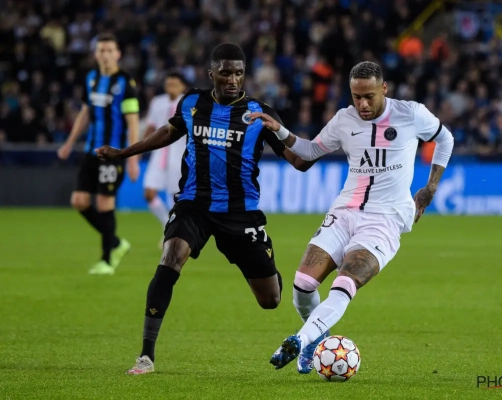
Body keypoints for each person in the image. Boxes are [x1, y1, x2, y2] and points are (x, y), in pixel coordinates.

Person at [94, 43, 317, 375]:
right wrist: (124, 153)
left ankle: (268, 266)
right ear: (211, 73)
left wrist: (299, 138)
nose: (232, 79)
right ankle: (146, 356)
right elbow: (168, 132)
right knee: (170, 258)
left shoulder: (259, 113)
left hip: (240, 213)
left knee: (270, 300)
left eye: (238, 73)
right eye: (225, 72)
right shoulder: (192, 103)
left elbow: (299, 162)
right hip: (193, 204)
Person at [248, 61, 455, 374]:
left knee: (344, 284)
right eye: (357, 97)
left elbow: (445, 139)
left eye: (369, 96)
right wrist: (280, 131)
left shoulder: (411, 113)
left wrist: (430, 189)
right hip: (344, 212)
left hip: (385, 220)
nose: (363, 104)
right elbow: (310, 151)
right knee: (302, 285)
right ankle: (318, 339)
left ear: (384, 88)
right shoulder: (344, 119)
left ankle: (301, 341)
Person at [57, 33, 140, 275]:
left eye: (109, 50)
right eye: (101, 50)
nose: (105, 54)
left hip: (112, 154)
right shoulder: (91, 78)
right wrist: (69, 143)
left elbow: (133, 122)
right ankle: (116, 243)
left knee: (104, 203)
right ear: (96, 54)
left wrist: (132, 158)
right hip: (90, 151)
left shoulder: (125, 82)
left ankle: (107, 261)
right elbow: (85, 113)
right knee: (79, 201)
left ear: (118, 54)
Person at [142, 72, 188, 244]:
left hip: (179, 154)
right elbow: (151, 126)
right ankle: (166, 223)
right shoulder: (157, 102)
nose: (171, 87)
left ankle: (176, 232)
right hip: (159, 154)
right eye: (168, 84)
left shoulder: (189, 103)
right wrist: (140, 149)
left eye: (174, 84)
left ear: (182, 86)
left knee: (176, 196)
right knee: (149, 193)